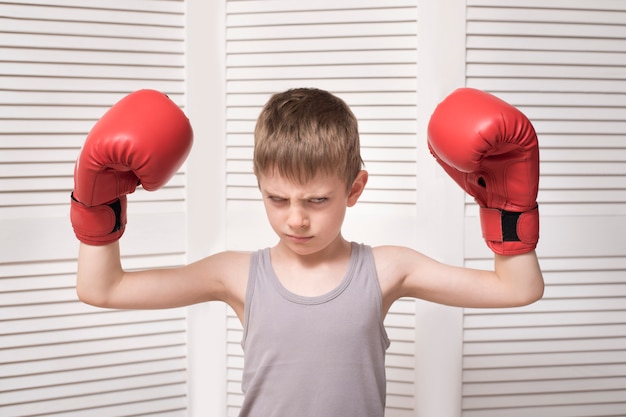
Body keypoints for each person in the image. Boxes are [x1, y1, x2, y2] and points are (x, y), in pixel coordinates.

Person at [71, 87, 544, 416]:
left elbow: (516, 289)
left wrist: (506, 211)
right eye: (277, 199)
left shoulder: (385, 268)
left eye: (317, 200)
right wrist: (99, 204)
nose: (295, 219)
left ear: (354, 189)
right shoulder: (236, 274)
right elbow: (102, 288)